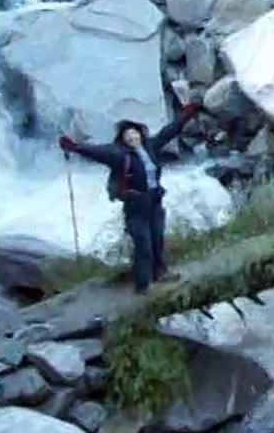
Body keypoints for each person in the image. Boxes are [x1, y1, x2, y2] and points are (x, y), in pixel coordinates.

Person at [58, 104, 201, 294]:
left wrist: (186, 114)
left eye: (135, 134)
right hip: (136, 207)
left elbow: (170, 131)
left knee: (157, 240)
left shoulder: (150, 146)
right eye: (128, 136)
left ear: (140, 134)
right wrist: (75, 147)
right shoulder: (118, 155)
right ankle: (142, 285)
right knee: (143, 245)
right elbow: (97, 152)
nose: (133, 138)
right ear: (123, 140)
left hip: (155, 202)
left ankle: (160, 273)